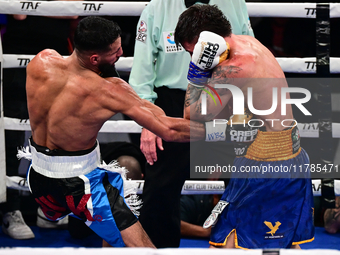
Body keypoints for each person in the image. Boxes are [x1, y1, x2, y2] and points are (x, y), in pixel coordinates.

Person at [20, 16, 204, 248]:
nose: (120, 54)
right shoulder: (109, 91)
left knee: (112, 229)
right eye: (115, 51)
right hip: (81, 186)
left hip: (38, 178)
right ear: (95, 58)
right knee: (145, 249)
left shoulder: (41, 61)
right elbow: (169, 130)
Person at [174, 4, 314, 249]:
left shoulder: (236, 66)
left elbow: (191, 114)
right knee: (264, 242)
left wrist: (197, 72)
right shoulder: (248, 42)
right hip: (272, 157)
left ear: (207, 42)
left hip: (269, 166)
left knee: (234, 242)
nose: (192, 57)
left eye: (192, 52)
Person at [129, 0, 254, 248]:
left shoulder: (234, 4)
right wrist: (148, 121)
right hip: (171, 102)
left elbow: (249, 51)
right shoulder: (157, 8)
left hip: (226, 94)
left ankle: (245, 246)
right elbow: (142, 72)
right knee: (160, 188)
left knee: (245, 177)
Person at [0, 9, 78, 239]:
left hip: (58, 55)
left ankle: (50, 206)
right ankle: (10, 209)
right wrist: (52, 8)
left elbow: (72, 11)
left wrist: (39, 9)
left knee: (57, 131)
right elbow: (19, 14)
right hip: (19, 54)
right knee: (13, 134)